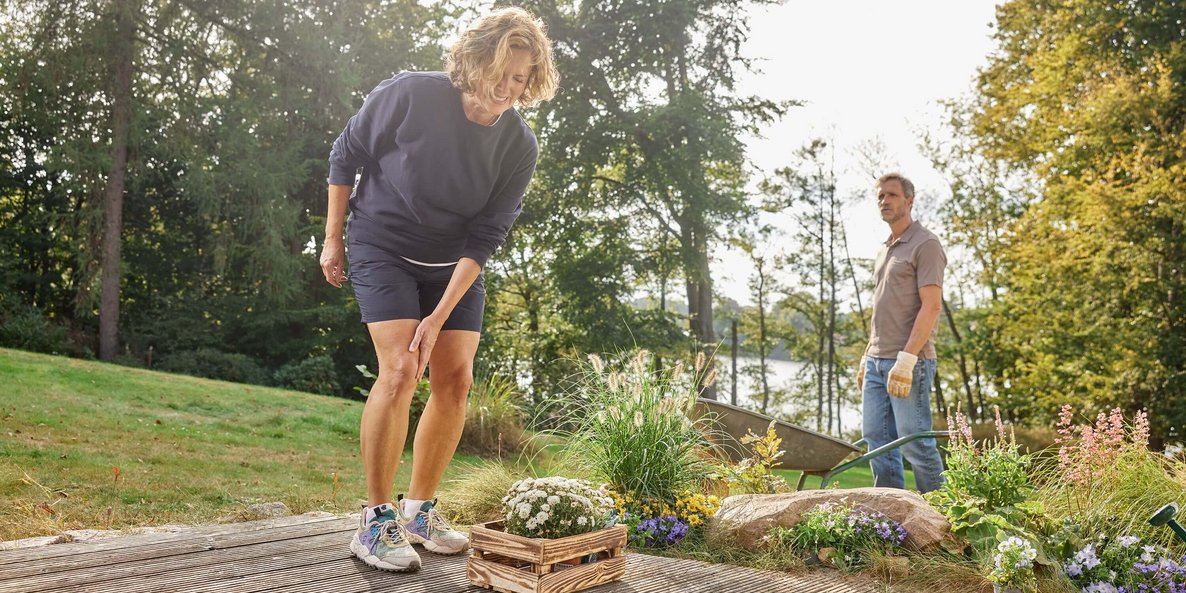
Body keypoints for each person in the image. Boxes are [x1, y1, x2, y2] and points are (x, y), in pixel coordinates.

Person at [319, 7, 557, 572]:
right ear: (475, 61)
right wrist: (333, 241)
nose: (507, 86)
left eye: (521, 77)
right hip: (382, 244)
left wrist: (438, 316)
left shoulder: (519, 146)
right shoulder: (410, 95)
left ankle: (419, 511)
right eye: (501, 69)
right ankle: (376, 521)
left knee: (455, 377)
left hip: (452, 266)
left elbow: (488, 234)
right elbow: (345, 155)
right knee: (401, 369)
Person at [857, 172, 947, 494]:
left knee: (916, 446)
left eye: (892, 195)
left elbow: (932, 306)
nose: (884, 201)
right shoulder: (885, 249)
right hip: (876, 362)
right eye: (880, 195)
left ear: (909, 200)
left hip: (910, 363)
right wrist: (867, 353)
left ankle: (943, 521)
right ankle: (892, 522)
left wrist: (907, 360)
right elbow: (883, 307)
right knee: (877, 444)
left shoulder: (926, 244)